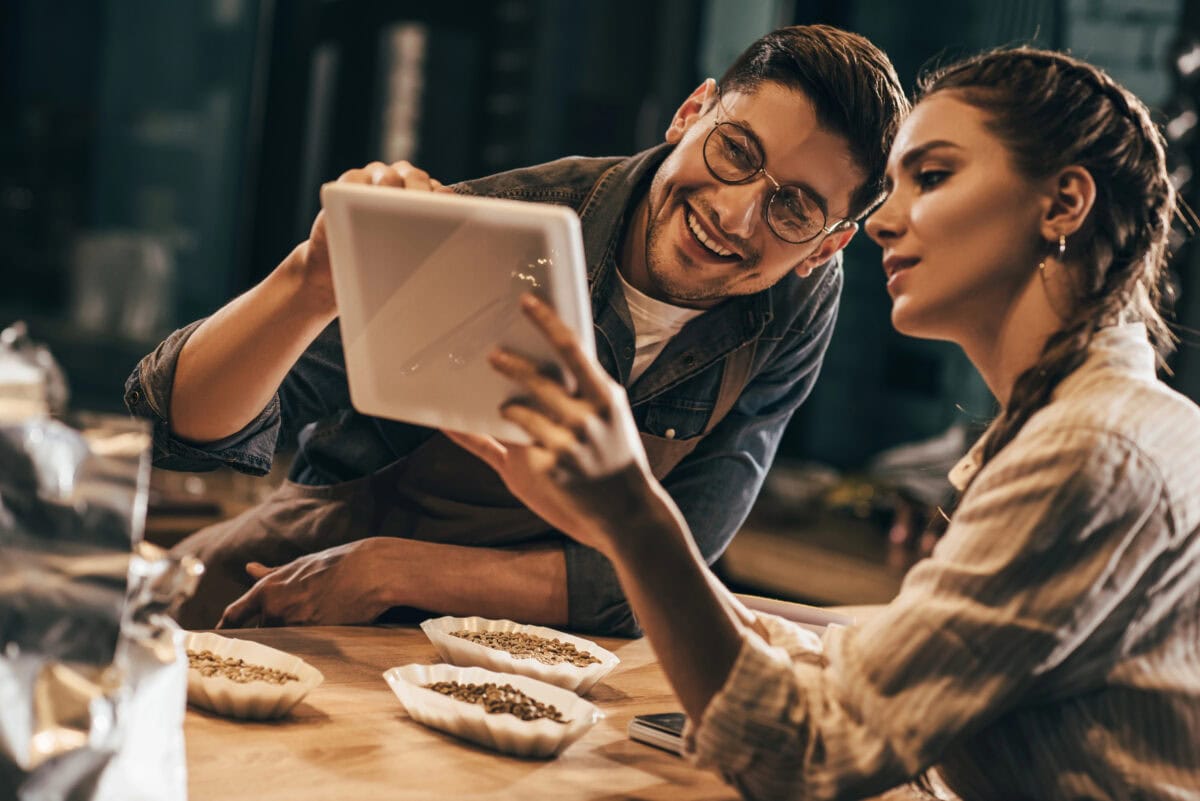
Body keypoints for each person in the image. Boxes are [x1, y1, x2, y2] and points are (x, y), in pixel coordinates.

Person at [450, 48, 1200, 800]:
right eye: (895, 185)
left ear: (1063, 203)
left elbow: (808, 756)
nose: (886, 223)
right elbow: (896, 668)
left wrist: (635, 517)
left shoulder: (1090, 452)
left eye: (933, 177)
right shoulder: (1115, 424)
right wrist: (629, 534)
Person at [124, 25, 909, 633]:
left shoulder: (793, 304)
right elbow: (184, 430)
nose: (736, 213)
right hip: (284, 600)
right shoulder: (516, 221)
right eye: (735, 150)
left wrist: (395, 570)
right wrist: (306, 285)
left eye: (795, 207)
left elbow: (662, 575)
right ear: (689, 114)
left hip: (514, 661)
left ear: (829, 244)